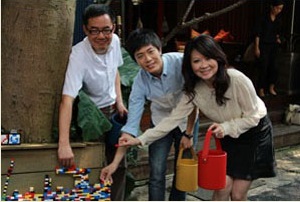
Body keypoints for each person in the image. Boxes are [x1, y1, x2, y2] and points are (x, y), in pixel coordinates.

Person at [119, 34, 277, 201]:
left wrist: (226, 128)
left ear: (217, 58)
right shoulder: (194, 91)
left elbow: (254, 116)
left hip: (254, 134)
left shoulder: (237, 79)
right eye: (196, 61)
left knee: (238, 194)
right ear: (190, 65)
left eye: (208, 58)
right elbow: (172, 120)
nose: (203, 65)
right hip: (228, 136)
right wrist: (141, 139)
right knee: (222, 188)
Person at [100, 28, 199, 201]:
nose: (148, 59)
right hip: (160, 124)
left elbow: (195, 99)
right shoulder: (140, 82)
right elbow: (130, 127)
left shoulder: (181, 63)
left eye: (150, 51)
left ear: (159, 49)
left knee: (182, 170)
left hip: (187, 121)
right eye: (140, 56)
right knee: (156, 170)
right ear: (135, 60)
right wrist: (115, 163)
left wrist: (189, 133)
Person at [57, 4, 127, 201]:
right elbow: (67, 99)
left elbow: (115, 71)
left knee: (119, 164)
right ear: (85, 30)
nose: (101, 36)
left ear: (113, 27)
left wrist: (120, 101)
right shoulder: (78, 55)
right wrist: (64, 144)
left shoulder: (115, 41)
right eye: (94, 30)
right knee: (95, 165)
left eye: (106, 30)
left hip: (115, 113)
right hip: (92, 118)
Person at [254, 0, 284, 97]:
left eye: (281, 9)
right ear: (272, 7)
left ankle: (271, 87)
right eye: (277, 8)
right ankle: (261, 89)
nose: (279, 10)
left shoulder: (279, 19)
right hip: (263, 45)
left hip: (273, 45)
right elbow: (257, 34)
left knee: (274, 67)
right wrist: (257, 47)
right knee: (264, 67)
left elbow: (277, 33)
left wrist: (278, 39)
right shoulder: (263, 17)